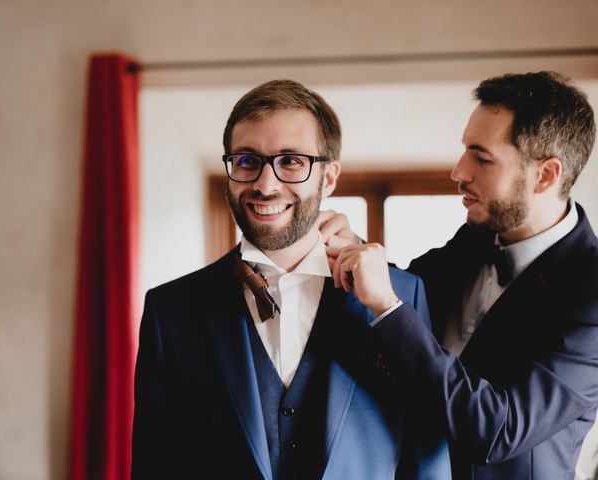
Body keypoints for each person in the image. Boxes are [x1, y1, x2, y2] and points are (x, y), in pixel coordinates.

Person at [131, 79, 450, 479]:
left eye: (291, 162)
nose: (265, 185)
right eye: (247, 160)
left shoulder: (401, 294)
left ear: (328, 178)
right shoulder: (171, 311)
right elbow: (155, 464)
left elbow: (426, 458)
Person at [323, 71, 598, 479]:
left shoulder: (590, 292)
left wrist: (386, 305)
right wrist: (354, 247)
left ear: (546, 175)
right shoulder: (476, 236)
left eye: (482, 158)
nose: (459, 171)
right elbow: (409, 292)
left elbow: (495, 430)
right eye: (464, 151)